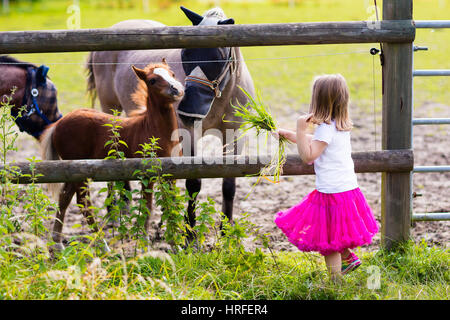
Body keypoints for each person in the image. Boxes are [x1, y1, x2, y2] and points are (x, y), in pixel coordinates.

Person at [273, 74, 379, 282]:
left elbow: (308, 156)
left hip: (331, 192)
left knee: (330, 240)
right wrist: (290, 134)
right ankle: (348, 259)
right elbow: (317, 142)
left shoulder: (325, 128)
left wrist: (300, 129)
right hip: (347, 189)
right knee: (337, 232)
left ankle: (335, 282)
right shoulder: (339, 125)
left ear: (318, 100)